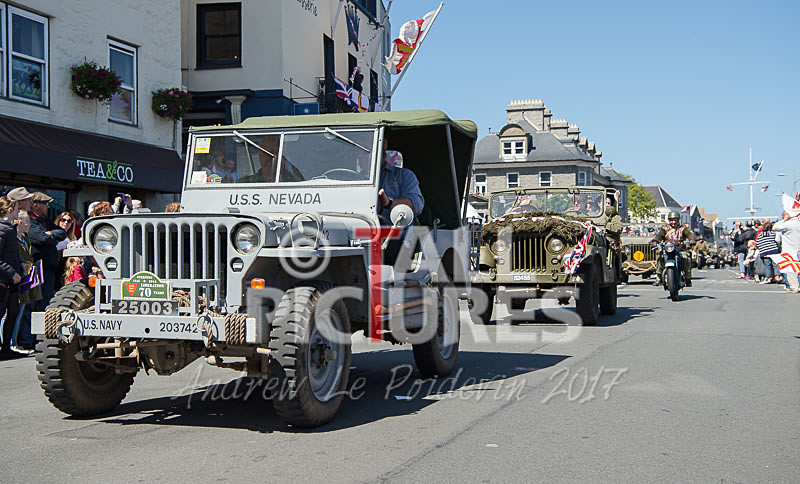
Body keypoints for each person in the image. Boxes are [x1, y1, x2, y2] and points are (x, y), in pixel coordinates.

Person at [28, 191, 66, 310]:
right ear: (36, 205)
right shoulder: (29, 220)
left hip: (49, 269)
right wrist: (51, 238)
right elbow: (42, 238)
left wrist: (50, 234)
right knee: (34, 304)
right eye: (45, 203)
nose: (48, 206)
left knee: (45, 302)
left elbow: (62, 233)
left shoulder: (46, 220)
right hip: (37, 268)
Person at [11, 211, 41, 352]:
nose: (29, 224)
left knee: (21, 312)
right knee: (12, 314)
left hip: (27, 278)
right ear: (20, 223)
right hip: (18, 279)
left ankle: (15, 342)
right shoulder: (13, 239)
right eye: (27, 221)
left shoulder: (24, 237)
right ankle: (11, 343)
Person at [0, 196, 23, 359]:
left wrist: (20, 264)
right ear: (9, 210)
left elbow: (10, 254)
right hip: (4, 280)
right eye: (16, 209)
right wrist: (11, 272)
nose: (18, 212)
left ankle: (6, 347)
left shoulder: (10, 228)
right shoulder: (3, 230)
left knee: (13, 312)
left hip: (12, 281)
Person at [652, 210, 694, 286]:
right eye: (671, 220)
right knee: (660, 256)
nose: (673, 222)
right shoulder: (664, 228)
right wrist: (655, 241)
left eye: (675, 220)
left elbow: (689, 235)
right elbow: (659, 236)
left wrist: (692, 240)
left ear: (678, 220)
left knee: (686, 258)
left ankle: (688, 278)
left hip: (680, 249)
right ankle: (658, 277)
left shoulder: (683, 229)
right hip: (668, 250)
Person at [773, 210, 800, 293]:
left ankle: (790, 286)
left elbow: (775, 228)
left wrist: (783, 220)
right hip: (798, 248)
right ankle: (798, 284)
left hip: (788, 249)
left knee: (788, 268)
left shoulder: (787, 224)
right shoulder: (798, 222)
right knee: (797, 268)